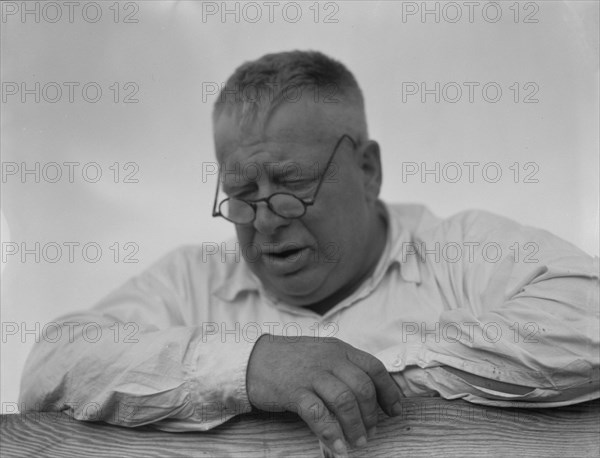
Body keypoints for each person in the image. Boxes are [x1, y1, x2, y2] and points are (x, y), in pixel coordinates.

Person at [20, 50, 599, 457]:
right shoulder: (191, 277)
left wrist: (362, 372)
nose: (266, 221)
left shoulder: (462, 248)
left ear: (368, 169)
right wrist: (252, 366)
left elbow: (589, 317)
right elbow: (52, 364)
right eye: (242, 193)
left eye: (292, 185)